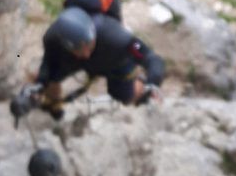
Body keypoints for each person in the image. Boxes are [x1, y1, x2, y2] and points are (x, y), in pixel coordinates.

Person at [31, 7, 165, 118]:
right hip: (77, 61)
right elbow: (47, 65)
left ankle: (141, 88)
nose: (86, 53)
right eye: (79, 49)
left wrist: (153, 81)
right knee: (51, 77)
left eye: (88, 46)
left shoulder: (119, 39)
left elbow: (148, 56)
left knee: (125, 95)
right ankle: (53, 107)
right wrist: (36, 88)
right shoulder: (53, 40)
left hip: (115, 61)